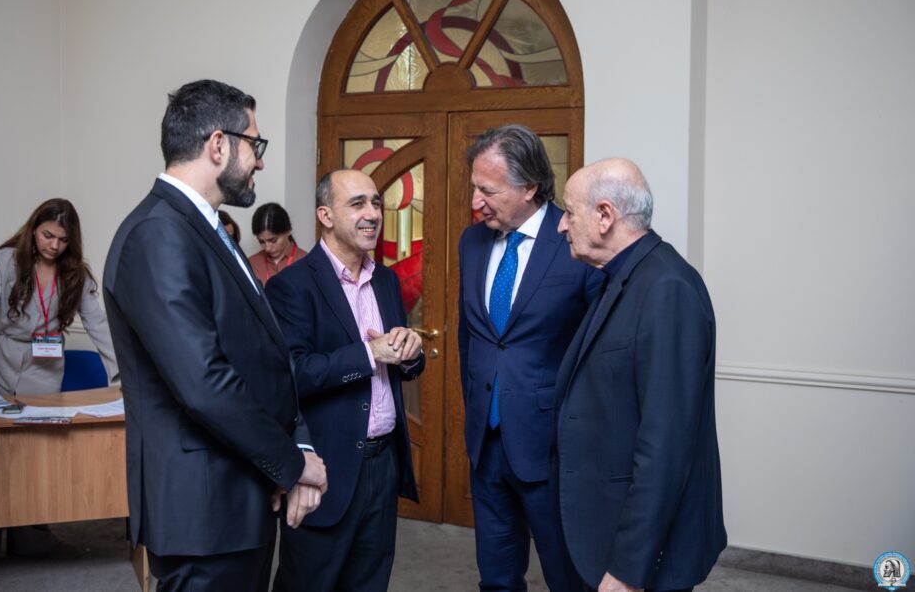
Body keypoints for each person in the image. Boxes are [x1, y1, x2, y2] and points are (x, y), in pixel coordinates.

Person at [103, 79, 327, 592]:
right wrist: (291, 464)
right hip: (203, 509)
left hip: (235, 495)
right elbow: (204, 382)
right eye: (255, 144)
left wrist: (288, 453)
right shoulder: (158, 233)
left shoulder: (200, 228)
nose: (260, 162)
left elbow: (259, 356)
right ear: (218, 144)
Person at [554, 158, 726, 592]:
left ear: (605, 215)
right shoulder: (622, 276)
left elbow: (666, 445)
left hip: (640, 555)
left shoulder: (667, 288)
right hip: (605, 528)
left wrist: (629, 569)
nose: (561, 225)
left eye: (569, 212)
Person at [457, 124, 602, 591]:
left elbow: (598, 353)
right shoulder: (471, 242)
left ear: (529, 187)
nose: (476, 202)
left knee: (568, 577)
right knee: (496, 578)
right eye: (474, 187)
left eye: (488, 190)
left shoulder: (575, 241)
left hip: (552, 448)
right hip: (486, 444)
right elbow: (470, 339)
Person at [267, 170, 424, 592]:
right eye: (357, 204)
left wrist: (410, 352)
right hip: (326, 465)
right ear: (326, 215)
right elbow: (292, 374)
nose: (372, 213)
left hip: (383, 463)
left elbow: (400, 359)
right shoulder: (291, 286)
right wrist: (370, 354)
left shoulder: (386, 280)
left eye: (376, 203)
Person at [0, 198, 118, 395]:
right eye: (48, 235)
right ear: (34, 229)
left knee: (42, 413)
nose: (54, 245)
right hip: (0, 361)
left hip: (45, 368)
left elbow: (97, 323)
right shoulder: (4, 260)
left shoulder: (77, 275)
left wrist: (123, 374)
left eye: (63, 240)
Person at [248, 202, 306, 286]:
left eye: (273, 240)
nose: (267, 248)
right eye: (261, 242)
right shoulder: (252, 264)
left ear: (288, 231)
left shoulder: (306, 262)